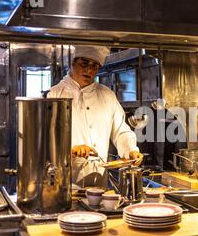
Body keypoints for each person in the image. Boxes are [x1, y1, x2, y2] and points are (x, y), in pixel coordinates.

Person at [48, 45, 143, 187]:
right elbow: (47, 138)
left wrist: (131, 150)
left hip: (99, 182)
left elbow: (121, 130)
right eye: (84, 63)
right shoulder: (54, 94)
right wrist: (70, 148)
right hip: (65, 179)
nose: (89, 70)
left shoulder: (107, 95)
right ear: (73, 63)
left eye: (95, 66)